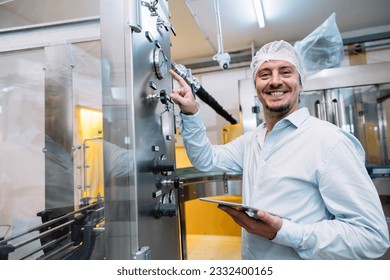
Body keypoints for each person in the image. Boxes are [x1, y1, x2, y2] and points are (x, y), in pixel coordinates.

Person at [169, 40, 390, 259]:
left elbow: (371, 236)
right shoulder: (252, 140)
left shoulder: (328, 141)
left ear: (300, 83)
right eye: (264, 74)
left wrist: (284, 232)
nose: (275, 81)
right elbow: (206, 159)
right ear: (256, 87)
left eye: (285, 72)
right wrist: (191, 112)